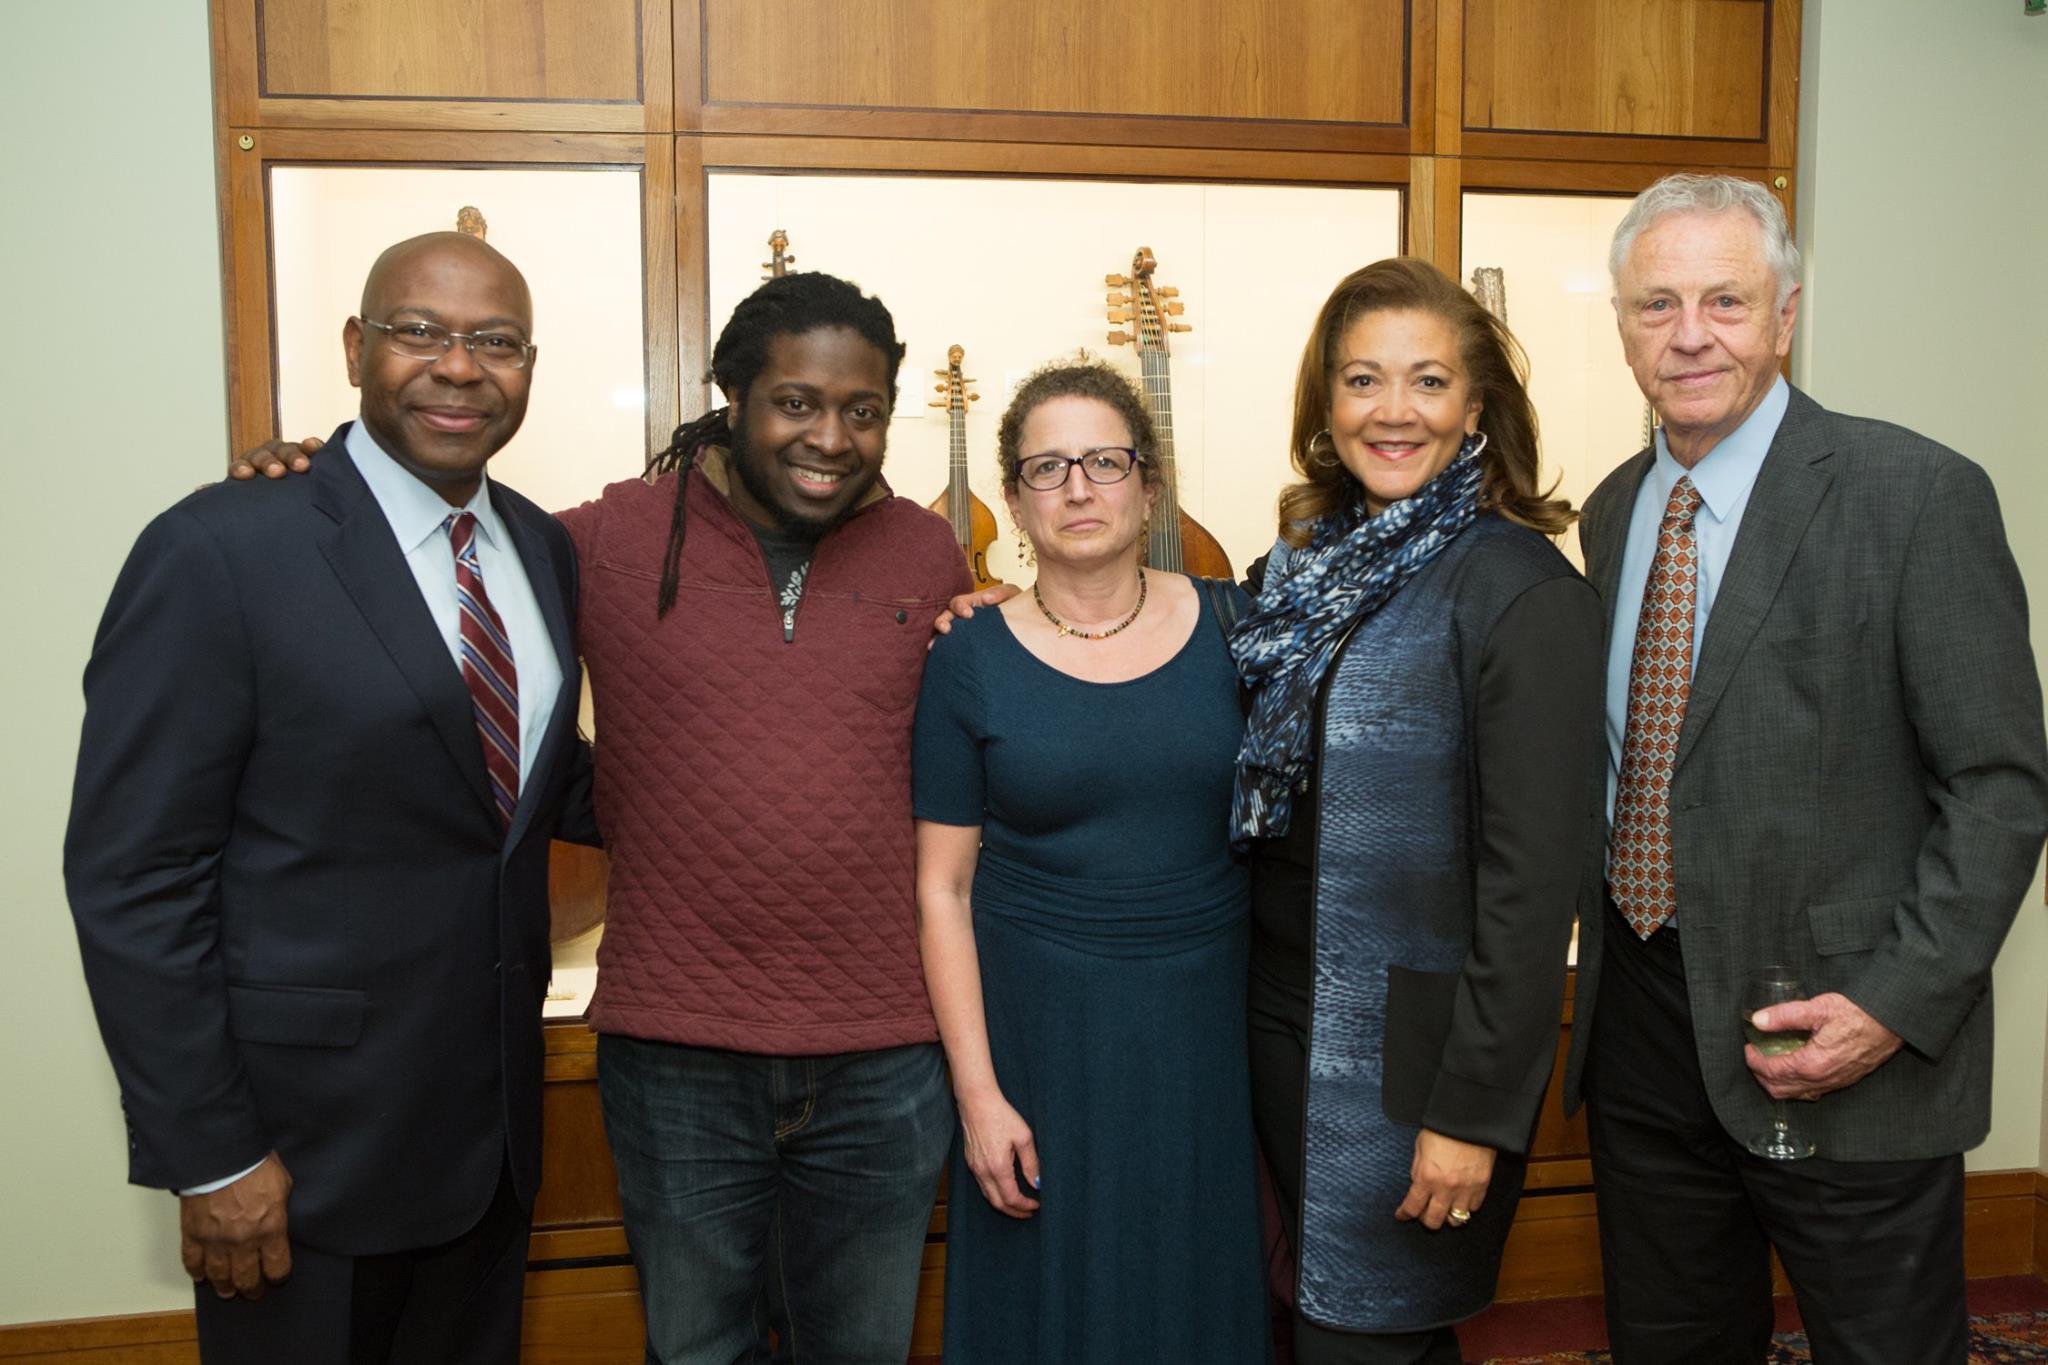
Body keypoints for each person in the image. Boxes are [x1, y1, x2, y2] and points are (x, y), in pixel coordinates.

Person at [233, 271, 971, 1365]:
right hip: (673, 1052)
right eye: (795, 402)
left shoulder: (927, 550)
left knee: (859, 1351)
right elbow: (442, 612)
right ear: (731, 396)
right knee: (694, 1349)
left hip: (885, 1055)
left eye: (861, 411)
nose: (829, 435)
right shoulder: (599, 540)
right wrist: (308, 479)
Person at [66, 231, 598, 1363]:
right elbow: (133, 877)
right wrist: (212, 1155)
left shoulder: (542, 550)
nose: (459, 367)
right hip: (297, 1164)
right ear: (357, 347)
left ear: (530, 368)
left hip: (487, 1144)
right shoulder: (223, 547)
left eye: (495, 342)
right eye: (419, 331)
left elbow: (529, 791)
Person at [1559, 173, 2048, 1363]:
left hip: (1834, 1039)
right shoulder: (1615, 510)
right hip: (1641, 1033)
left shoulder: (1913, 495)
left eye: (1723, 301)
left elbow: (1999, 783)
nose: (1687, 335)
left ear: (1783, 315)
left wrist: (1888, 1007)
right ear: (1620, 325)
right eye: (1654, 304)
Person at [1234, 258, 1605, 1364]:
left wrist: (1474, 1117)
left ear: (1474, 407)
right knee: (1310, 1329)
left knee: (1367, 1339)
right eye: (1361, 381)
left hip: (1415, 1068)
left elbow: (1533, 893)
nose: (1392, 411)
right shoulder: (1295, 574)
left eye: (1427, 382)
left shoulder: (1519, 590)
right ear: (1324, 405)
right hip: (1271, 1021)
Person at [912, 360, 1270, 1364]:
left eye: (1103, 462)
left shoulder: (1239, 629)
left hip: (1200, 1038)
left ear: (1148, 486)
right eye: (1046, 468)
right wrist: (976, 1099)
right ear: (1013, 501)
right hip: (1034, 1044)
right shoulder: (968, 654)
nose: (1077, 488)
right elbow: (939, 889)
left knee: (1188, 1294)